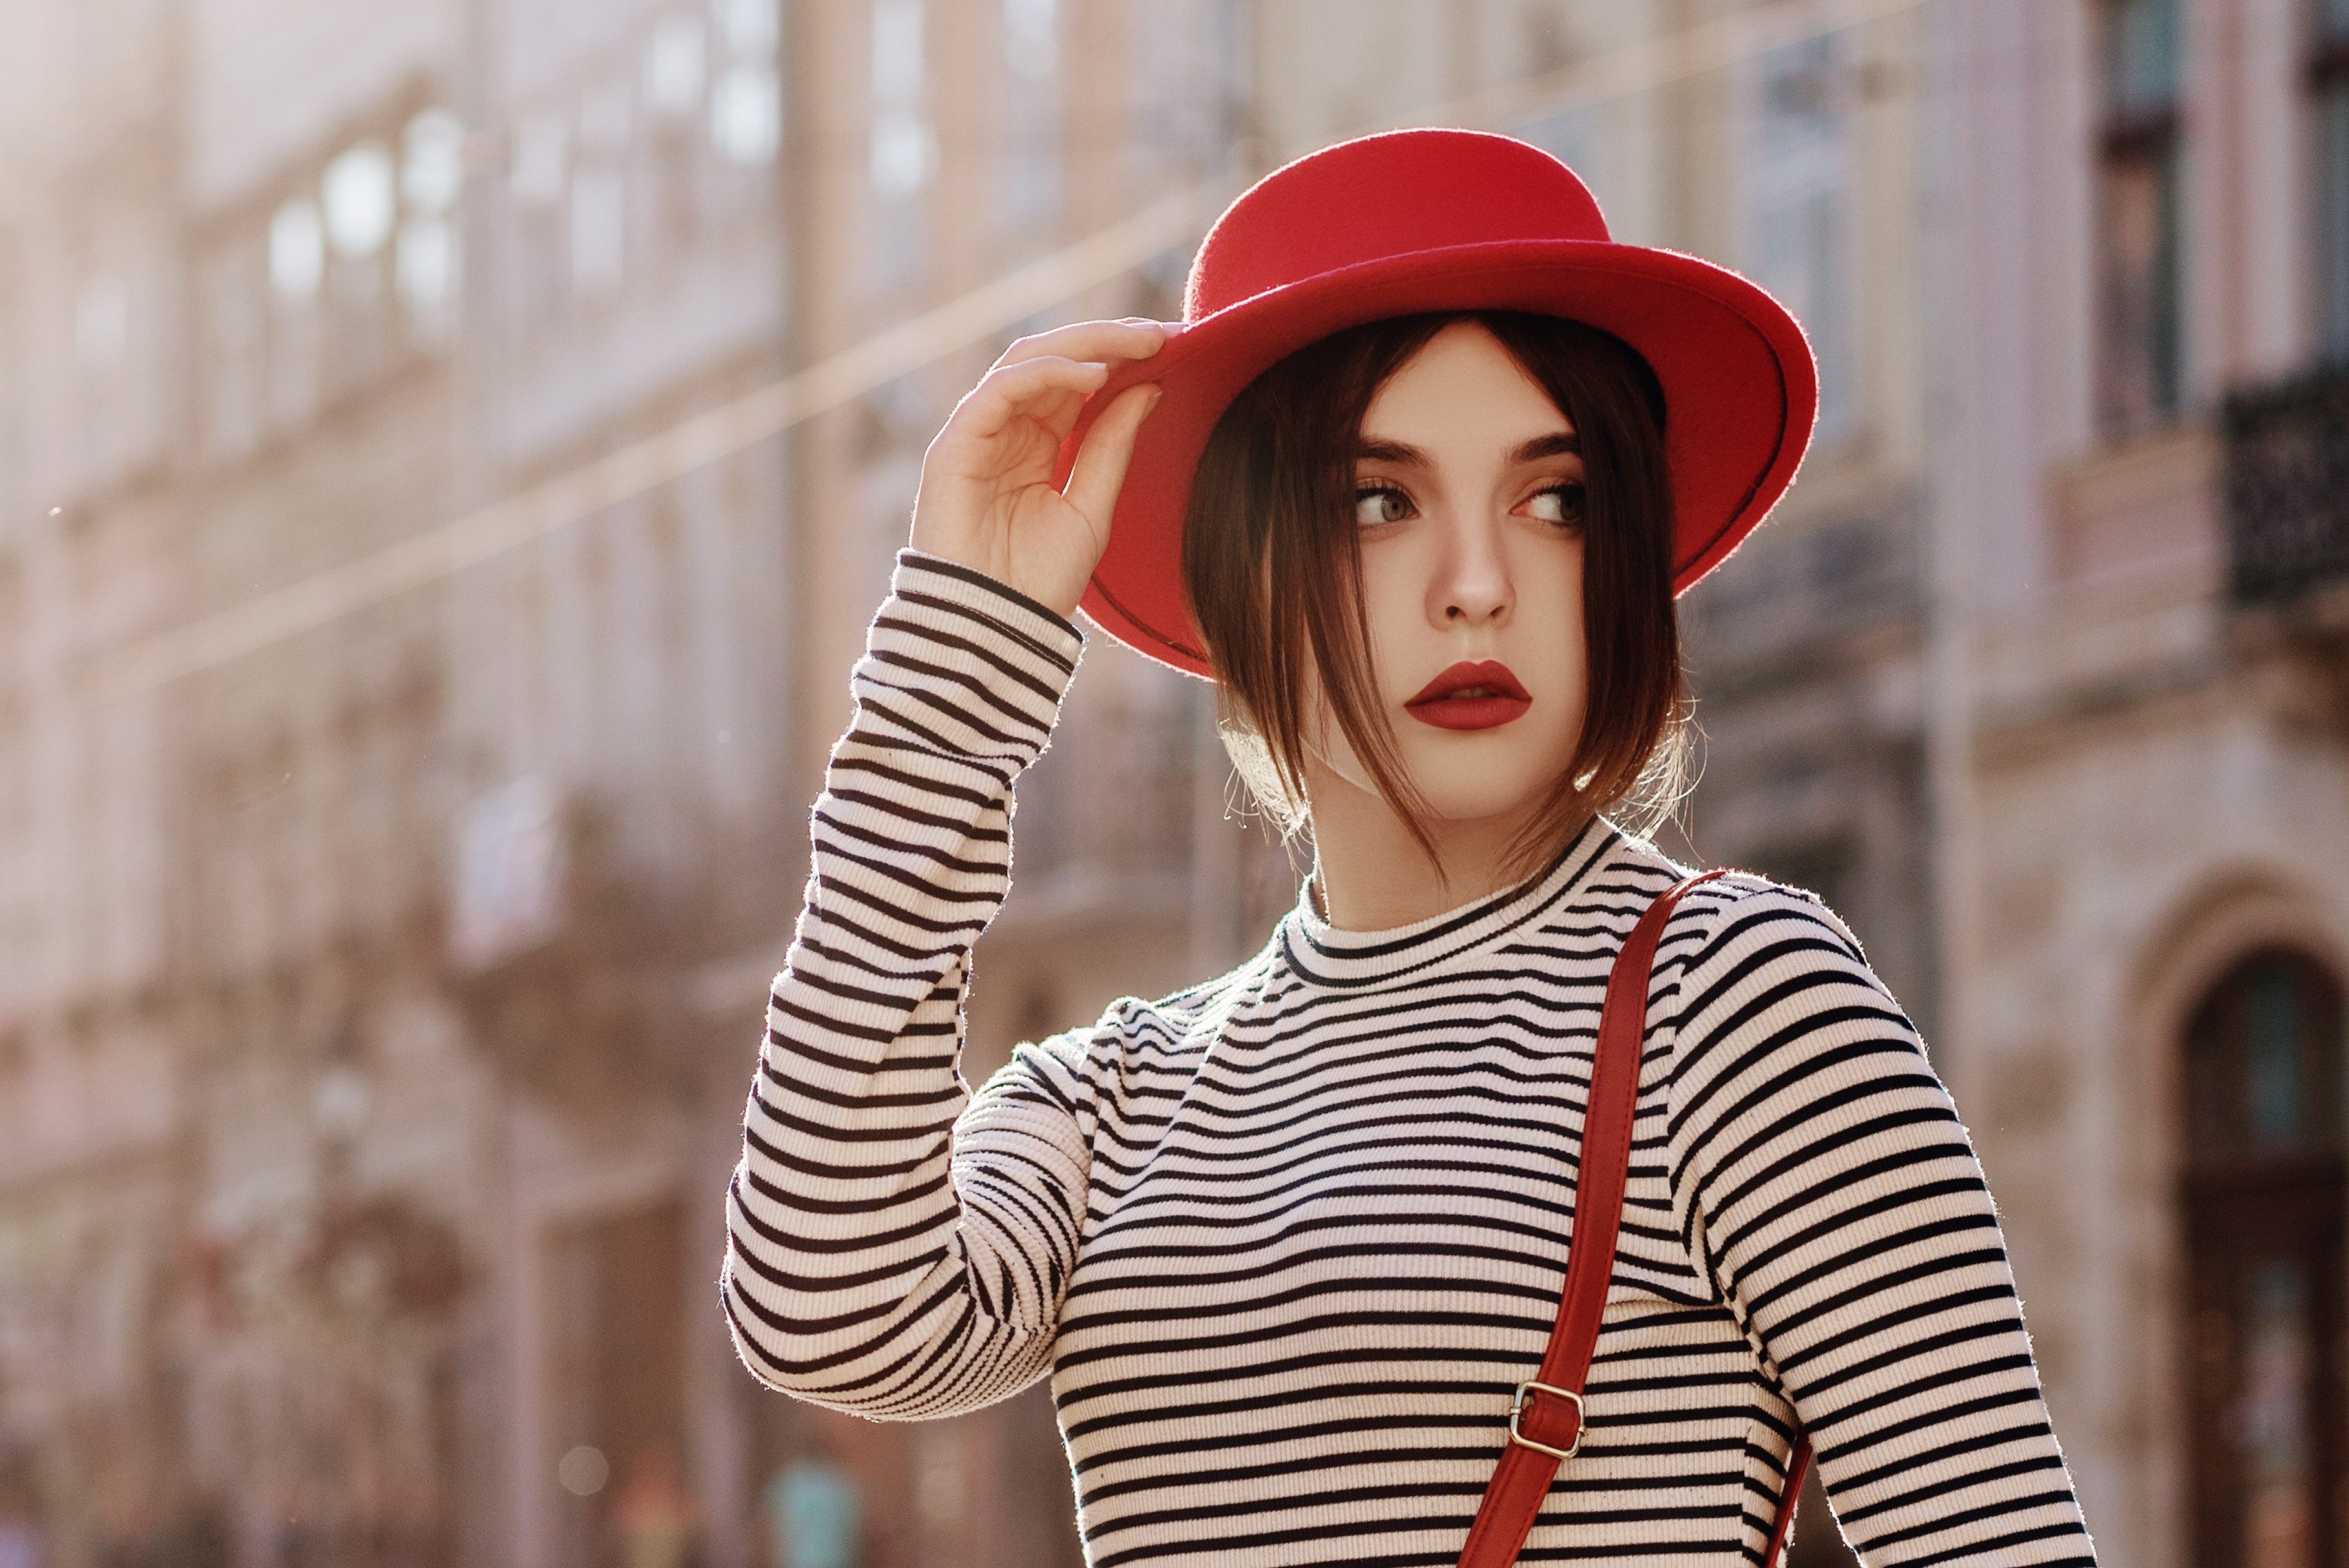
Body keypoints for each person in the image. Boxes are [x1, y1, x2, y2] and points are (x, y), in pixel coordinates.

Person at [721, 129, 2098, 1566]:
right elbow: (823, 1310)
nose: (1479, 585)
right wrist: (963, 661)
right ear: (1241, 572)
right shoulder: (1115, 1097)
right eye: (1379, 500)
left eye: (1553, 498)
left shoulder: (1739, 999)